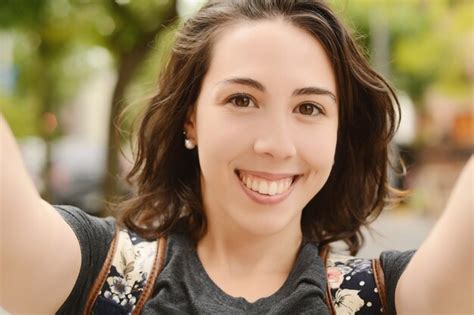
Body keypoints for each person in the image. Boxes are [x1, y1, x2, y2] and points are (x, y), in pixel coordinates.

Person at [1, 0, 472, 314]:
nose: (277, 144)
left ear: (338, 134)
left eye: (309, 108)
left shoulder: (385, 299)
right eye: (242, 100)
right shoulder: (96, 275)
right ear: (191, 118)